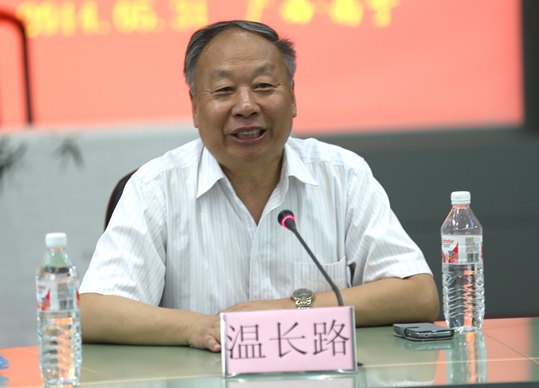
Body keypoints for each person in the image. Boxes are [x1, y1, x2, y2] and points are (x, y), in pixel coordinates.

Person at [80, 20, 439, 353]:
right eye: (224, 90)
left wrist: (289, 310)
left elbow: (418, 295)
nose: (246, 106)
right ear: (195, 107)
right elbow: (92, 311)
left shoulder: (343, 175)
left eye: (264, 86)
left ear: (293, 96)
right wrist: (198, 328)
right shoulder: (156, 188)